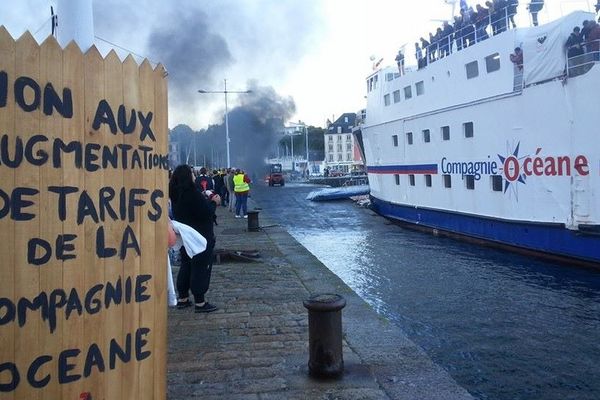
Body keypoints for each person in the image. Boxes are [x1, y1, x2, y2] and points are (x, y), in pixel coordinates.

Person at [169, 164, 221, 313]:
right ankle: (200, 302)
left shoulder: (175, 193)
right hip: (200, 236)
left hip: (184, 237)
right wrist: (214, 202)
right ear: (188, 176)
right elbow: (206, 213)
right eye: (191, 173)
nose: (194, 175)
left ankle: (183, 298)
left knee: (186, 265)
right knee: (200, 267)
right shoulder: (192, 194)